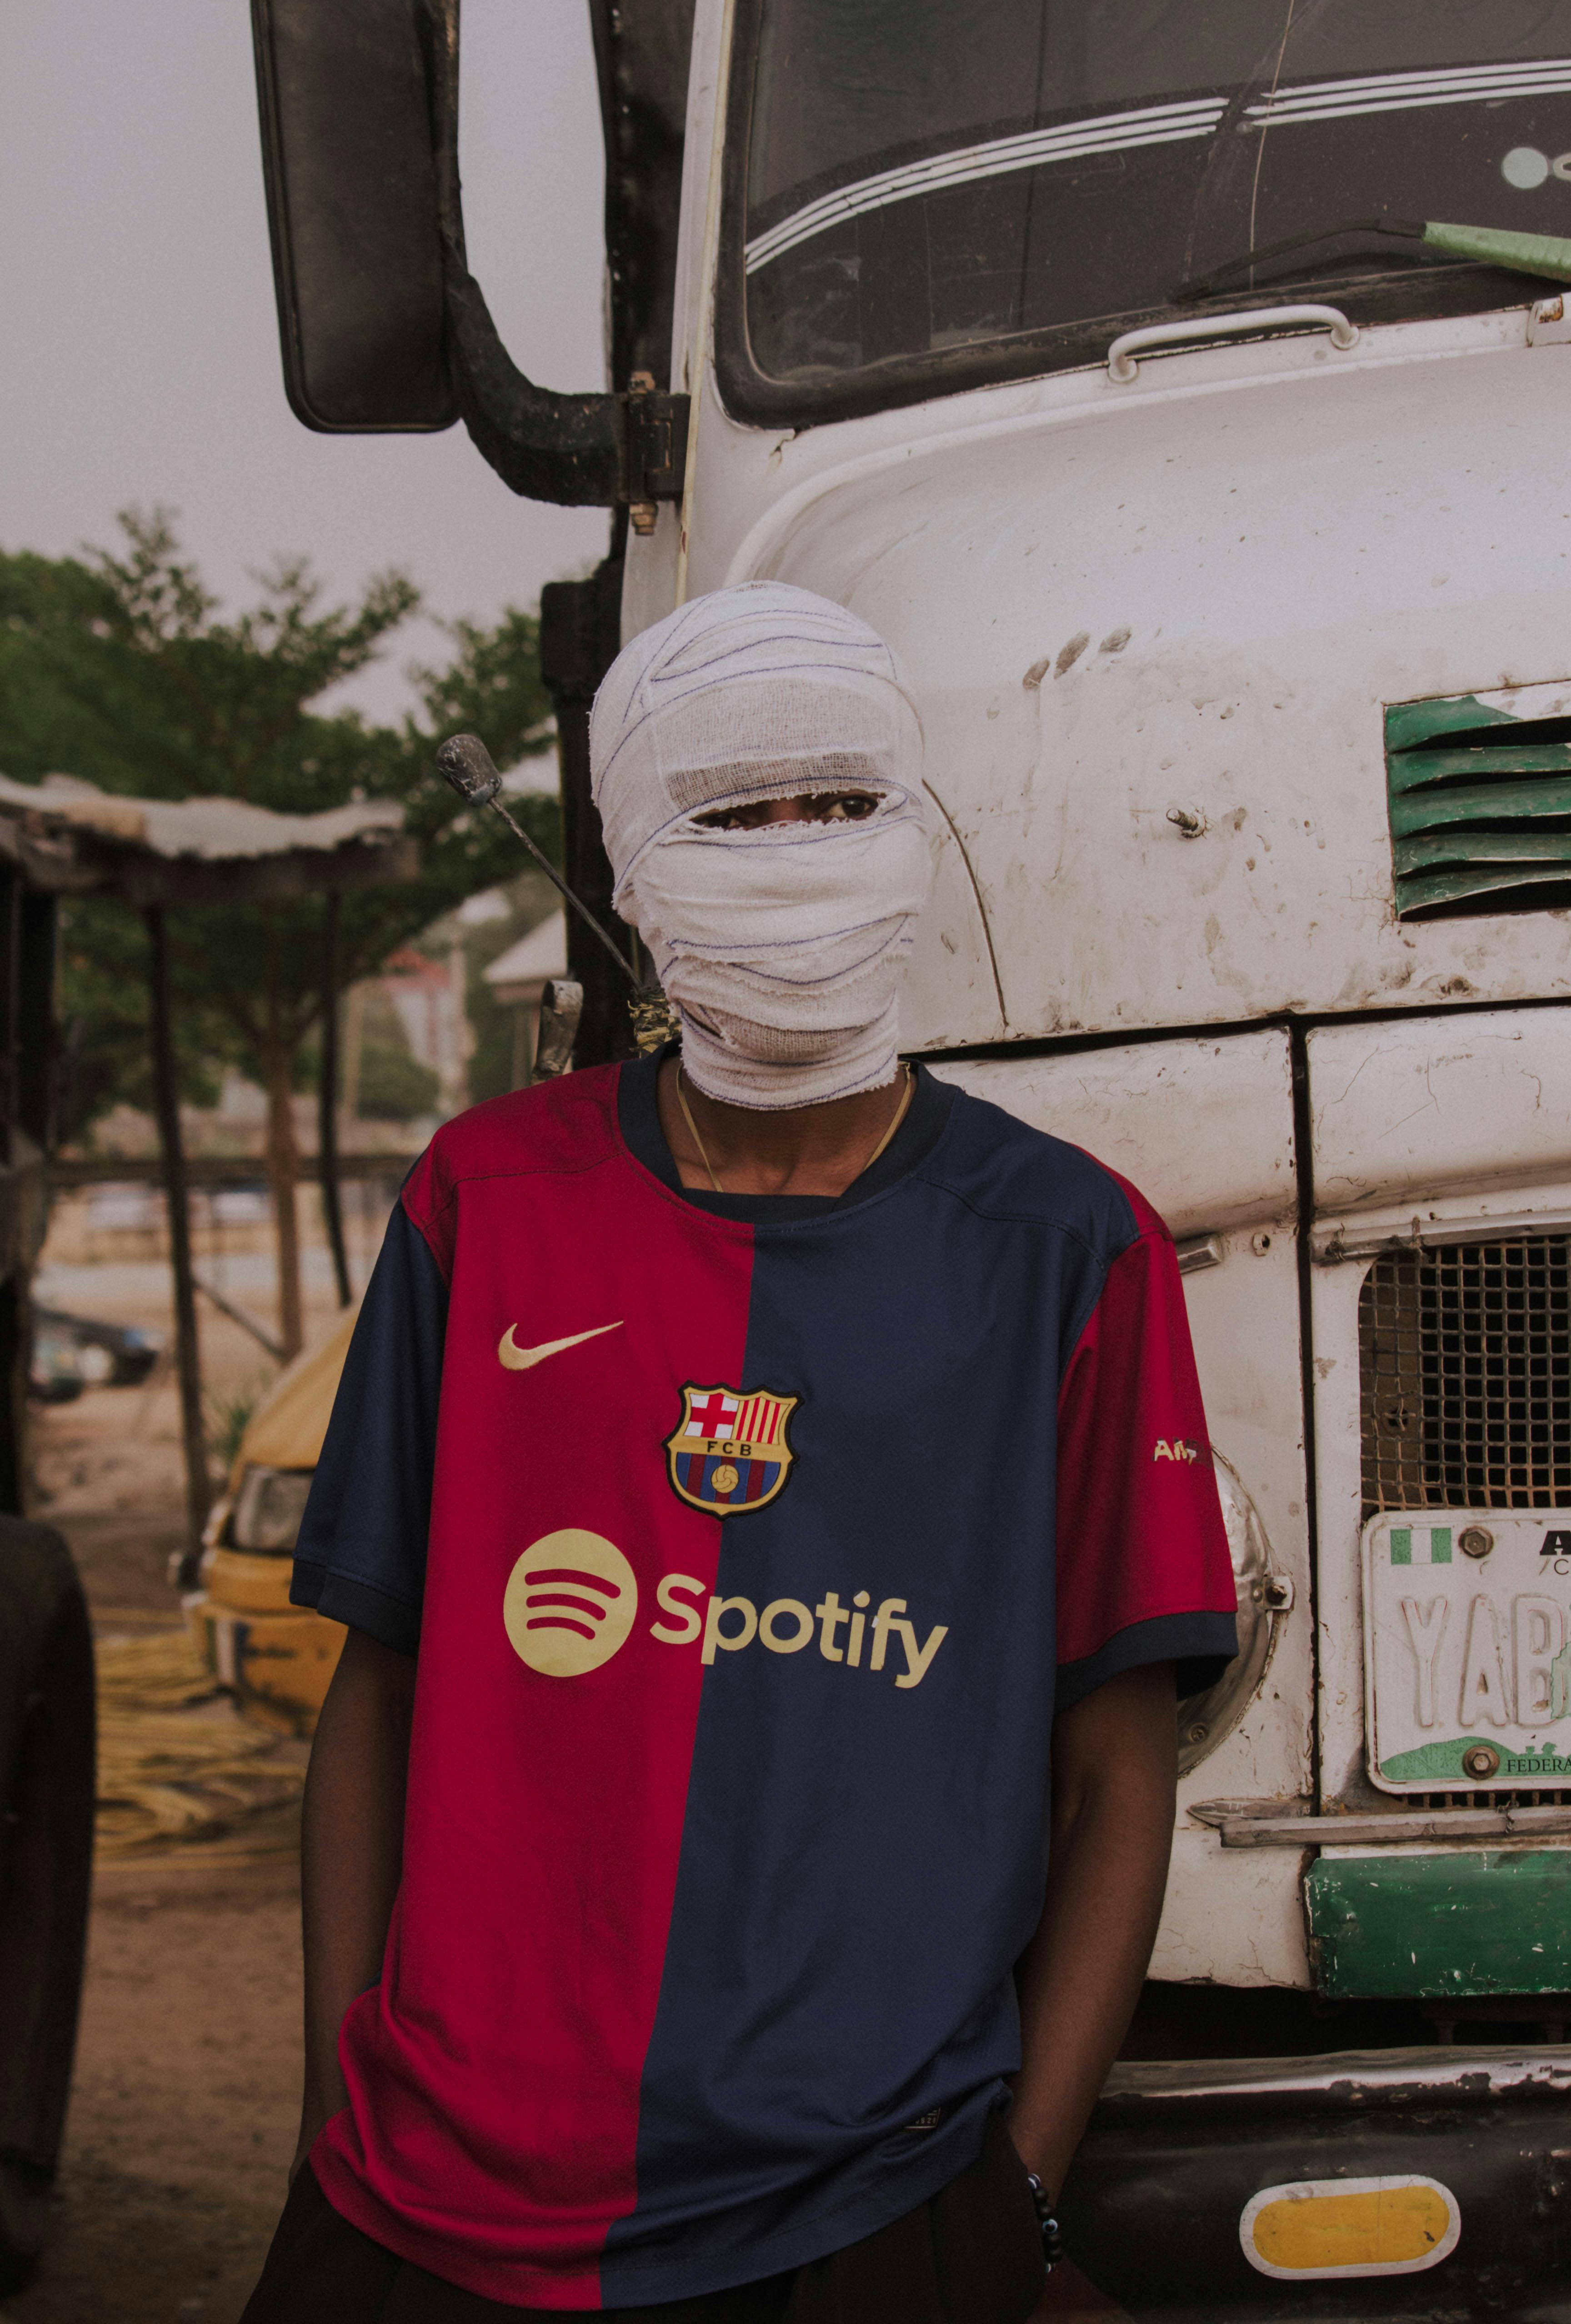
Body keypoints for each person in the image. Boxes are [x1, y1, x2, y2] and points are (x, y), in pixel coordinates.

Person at [241, 584, 1237, 2324]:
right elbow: (377, 1693)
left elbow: (1117, 1771)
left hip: (873, 2202)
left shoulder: (1070, 1248)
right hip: (433, 2203)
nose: (792, 853)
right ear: (632, 861)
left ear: (912, 832)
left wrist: (1016, 2196)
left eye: (837, 802)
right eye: (729, 811)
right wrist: (343, 2118)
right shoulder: (485, 1203)